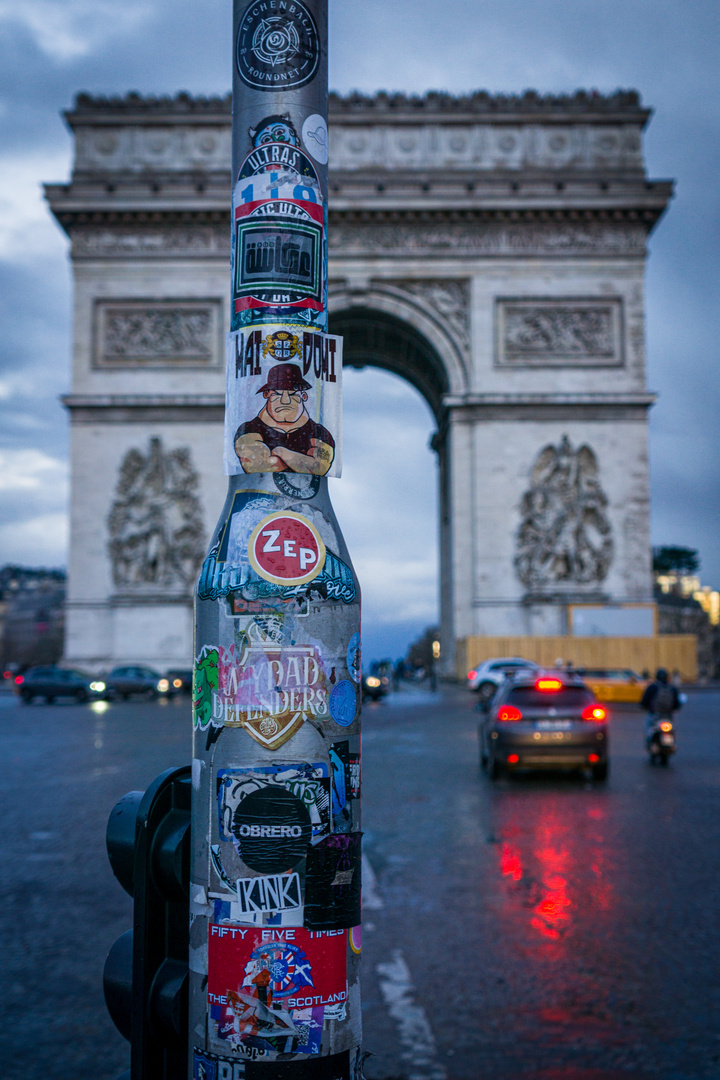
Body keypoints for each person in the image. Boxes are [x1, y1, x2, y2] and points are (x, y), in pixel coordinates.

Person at [234, 362, 335, 475]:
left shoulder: (320, 432)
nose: (285, 401)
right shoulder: (248, 429)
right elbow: (258, 466)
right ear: (266, 394)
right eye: (277, 394)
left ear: (304, 396)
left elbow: (319, 468)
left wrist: (280, 452)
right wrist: (301, 462)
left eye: (293, 394)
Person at [641, 667, 681, 736]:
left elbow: (645, 700)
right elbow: (677, 704)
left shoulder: (652, 687)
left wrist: (644, 706)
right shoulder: (673, 688)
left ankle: (649, 741)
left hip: (655, 715)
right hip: (668, 715)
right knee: (673, 729)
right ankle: (674, 742)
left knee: (648, 729)